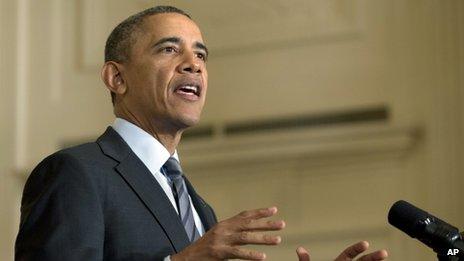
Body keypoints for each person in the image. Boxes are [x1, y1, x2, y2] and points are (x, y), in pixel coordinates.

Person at [15, 6, 388, 261]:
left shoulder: (198, 208)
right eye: (168, 49)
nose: (193, 64)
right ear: (117, 78)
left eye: (201, 55)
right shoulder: (76, 173)